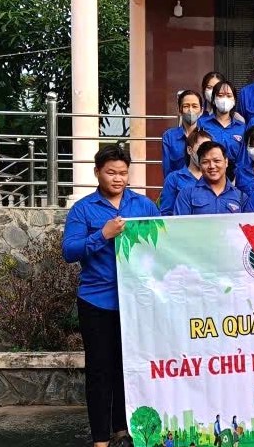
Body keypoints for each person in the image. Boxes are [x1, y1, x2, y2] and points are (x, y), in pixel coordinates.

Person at [62, 145, 158, 447]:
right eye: (111, 172)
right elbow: (69, 251)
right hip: (97, 301)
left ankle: (123, 430)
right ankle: (100, 438)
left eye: (123, 173)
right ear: (97, 173)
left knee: (129, 367)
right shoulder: (83, 209)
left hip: (137, 303)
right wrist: (102, 235)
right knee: (100, 370)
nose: (118, 178)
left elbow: (164, 243)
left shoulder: (143, 205)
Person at [174, 142, 246, 215]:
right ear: (199, 165)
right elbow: (180, 222)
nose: (211, 166)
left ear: (226, 162)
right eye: (205, 162)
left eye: (217, 161)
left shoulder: (241, 197)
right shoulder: (186, 195)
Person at [159, 128, 212, 216]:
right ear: (189, 150)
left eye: (209, 148)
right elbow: (166, 214)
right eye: (202, 147)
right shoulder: (174, 179)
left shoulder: (215, 177)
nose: (205, 153)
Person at [199, 80, 245, 168]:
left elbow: (243, 158)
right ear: (213, 100)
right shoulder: (202, 123)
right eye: (220, 95)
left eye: (229, 96)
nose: (224, 99)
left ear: (234, 101)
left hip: (234, 174)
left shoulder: (241, 128)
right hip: (209, 170)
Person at [162, 89, 204, 177]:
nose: (190, 110)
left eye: (195, 106)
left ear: (201, 111)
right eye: (186, 106)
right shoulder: (169, 136)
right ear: (179, 110)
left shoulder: (207, 136)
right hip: (177, 184)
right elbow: (167, 169)